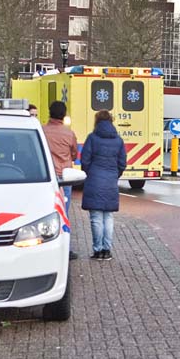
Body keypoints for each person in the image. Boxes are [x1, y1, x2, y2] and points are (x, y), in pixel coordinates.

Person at [81, 110, 127, 260]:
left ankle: (98, 250)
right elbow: (122, 163)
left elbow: (85, 160)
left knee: (96, 218)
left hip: (94, 180)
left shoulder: (92, 138)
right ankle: (107, 250)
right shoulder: (118, 140)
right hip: (111, 181)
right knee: (108, 217)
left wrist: (91, 172)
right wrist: (114, 175)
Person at [42, 101, 79, 260]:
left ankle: (45, 247)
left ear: (49, 112)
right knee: (64, 213)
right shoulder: (69, 134)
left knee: (44, 213)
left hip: (46, 178)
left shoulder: (41, 131)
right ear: (64, 116)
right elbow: (74, 155)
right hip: (64, 178)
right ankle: (66, 249)